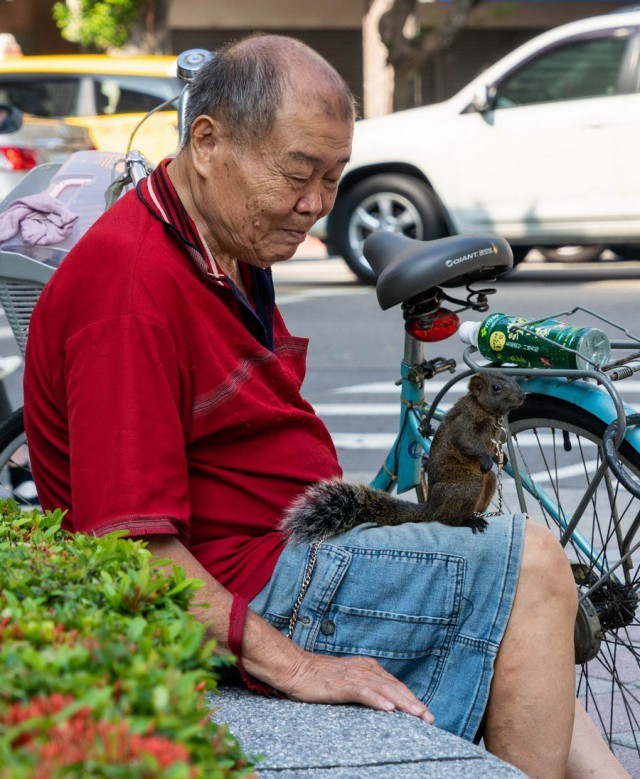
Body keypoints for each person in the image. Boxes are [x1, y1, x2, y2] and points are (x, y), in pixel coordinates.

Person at [23, 35, 629, 779]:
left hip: (285, 539)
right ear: (206, 143)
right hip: (251, 579)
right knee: (532, 567)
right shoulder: (128, 288)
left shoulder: (225, 241)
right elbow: (133, 553)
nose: (315, 205)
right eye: (297, 174)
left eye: (334, 179)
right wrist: (303, 668)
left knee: (522, 591)